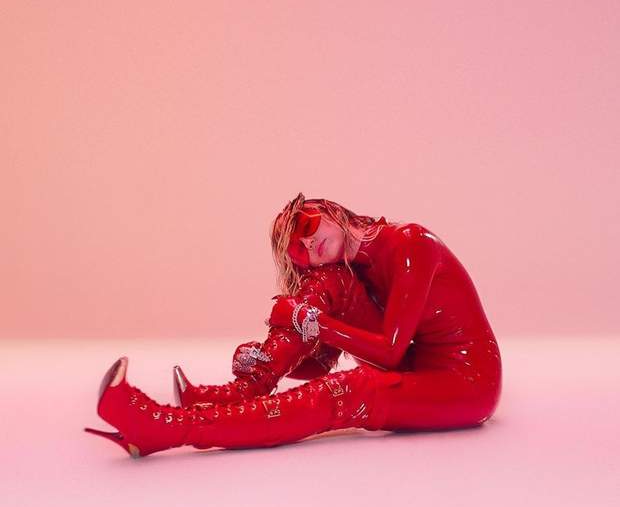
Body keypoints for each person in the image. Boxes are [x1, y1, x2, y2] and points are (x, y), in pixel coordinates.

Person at [84, 193, 502, 458]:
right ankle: (244, 389)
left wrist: (313, 325)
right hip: (412, 363)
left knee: (353, 390)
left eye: (306, 226)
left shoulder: (410, 243)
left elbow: (390, 352)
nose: (307, 244)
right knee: (329, 285)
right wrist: (266, 360)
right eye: (298, 252)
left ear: (331, 209)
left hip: (465, 382)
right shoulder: (347, 271)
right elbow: (320, 367)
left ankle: (164, 428)